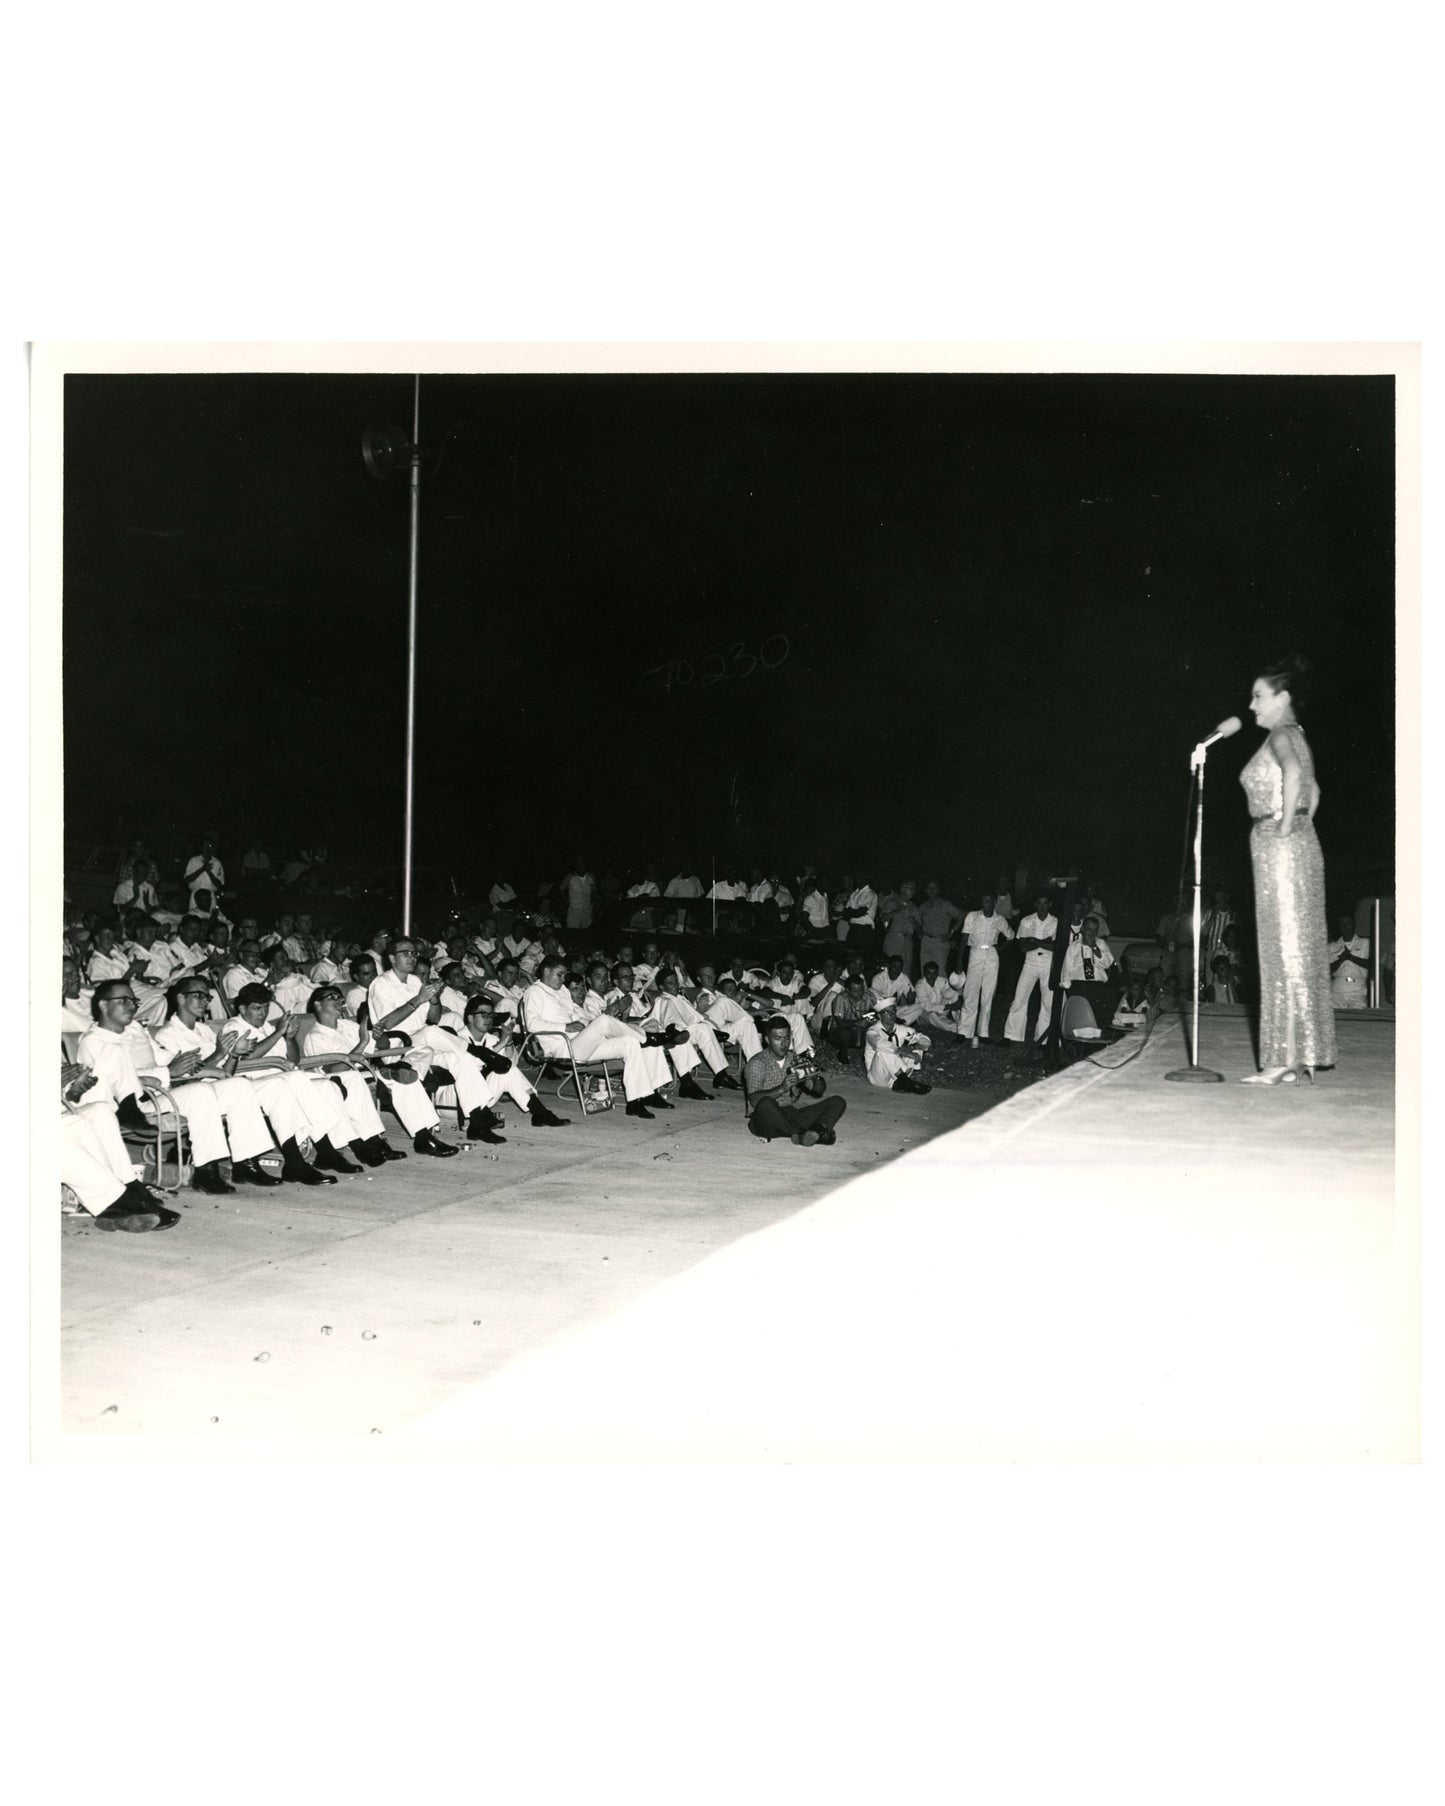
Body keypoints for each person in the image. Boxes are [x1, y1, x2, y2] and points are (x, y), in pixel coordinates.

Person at [1239, 657, 1337, 1083]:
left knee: (1281, 949)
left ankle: (1280, 1059)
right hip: (1298, 843)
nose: (1251, 704)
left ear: (1282, 699)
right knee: (1297, 948)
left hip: (1279, 846)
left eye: (1259, 696)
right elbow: (1313, 791)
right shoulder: (1299, 735)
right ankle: (1297, 1055)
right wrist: (1299, 823)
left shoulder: (1281, 733)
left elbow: (1297, 777)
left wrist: (1281, 828)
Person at [520, 954, 674, 1119]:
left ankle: (638, 1100)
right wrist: (564, 1026)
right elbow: (532, 1024)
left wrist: (588, 1024)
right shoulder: (534, 992)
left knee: (629, 1043)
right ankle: (648, 1037)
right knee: (604, 1021)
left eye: (564, 974)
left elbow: (575, 1014)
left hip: (581, 1042)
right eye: (559, 974)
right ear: (546, 971)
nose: (562, 979)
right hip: (562, 1047)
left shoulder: (562, 991)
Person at [743, 1017, 848, 1146]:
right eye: (778, 1039)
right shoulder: (757, 1064)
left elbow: (819, 1090)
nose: (783, 1043)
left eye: (787, 1038)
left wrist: (814, 1079)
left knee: (837, 1102)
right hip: (765, 1121)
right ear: (767, 1040)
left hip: (791, 1114)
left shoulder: (794, 1059)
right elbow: (754, 1100)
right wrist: (782, 1088)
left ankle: (808, 1133)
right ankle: (812, 1133)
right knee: (766, 1103)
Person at [957, 893, 1013, 1047]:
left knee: (988, 994)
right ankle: (964, 1031)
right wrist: (959, 962)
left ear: (994, 902)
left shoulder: (999, 920)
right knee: (970, 992)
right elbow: (963, 939)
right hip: (975, 953)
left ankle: (983, 1033)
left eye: (988, 900)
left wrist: (1000, 947)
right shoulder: (972, 916)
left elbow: (1010, 936)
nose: (985, 904)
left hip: (991, 955)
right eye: (983, 901)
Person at [1003, 892, 1059, 1046]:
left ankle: (1043, 1040)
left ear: (1050, 904)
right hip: (1030, 962)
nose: (1042, 907)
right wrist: (1043, 942)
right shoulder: (1026, 921)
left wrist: (1033, 940)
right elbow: (1023, 947)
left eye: (1045, 903)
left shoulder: (1056, 922)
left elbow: (1056, 946)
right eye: (1039, 903)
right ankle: (1012, 1035)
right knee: (1020, 997)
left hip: (1048, 963)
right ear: (1035, 904)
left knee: (1048, 1000)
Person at [863, 997, 933, 1094]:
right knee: (884, 1050)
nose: (891, 1015)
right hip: (879, 1077)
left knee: (917, 1046)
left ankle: (901, 1082)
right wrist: (902, 1051)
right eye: (887, 1012)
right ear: (879, 1016)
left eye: (893, 1011)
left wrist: (912, 1047)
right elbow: (879, 1043)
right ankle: (905, 1081)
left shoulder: (901, 1029)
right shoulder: (872, 1031)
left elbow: (925, 1039)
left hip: (896, 1072)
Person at [918, 880, 964, 975]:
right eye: (929, 888)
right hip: (926, 941)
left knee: (940, 971)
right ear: (926, 890)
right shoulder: (923, 907)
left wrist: (951, 932)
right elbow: (917, 921)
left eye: (934, 888)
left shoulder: (946, 905)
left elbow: (960, 917)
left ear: (938, 890)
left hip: (940, 941)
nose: (931, 890)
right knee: (924, 971)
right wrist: (920, 933)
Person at [1327, 912, 1371, 1009]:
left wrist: (1350, 957)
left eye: (1348, 923)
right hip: (1337, 991)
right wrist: (1341, 959)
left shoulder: (1366, 943)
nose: (1346, 926)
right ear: (1339, 926)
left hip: (1357, 991)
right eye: (1343, 924)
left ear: (1354, 925)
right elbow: (1327, 970)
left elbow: (1371, 965)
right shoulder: (1331, 946)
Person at [184, 836, 225, 917]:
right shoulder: (193, 860)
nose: (207, 848)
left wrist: (209, 872)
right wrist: (202, 869)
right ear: (200, 848)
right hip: (195, 895)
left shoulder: (217, 862)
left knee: (211, 917)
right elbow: (187, 879)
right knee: (193, 918)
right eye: (205, 846)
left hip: (210, 896)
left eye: (209, 846)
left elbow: (220, 884)